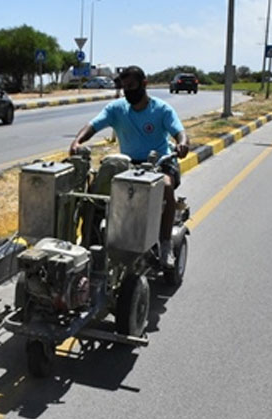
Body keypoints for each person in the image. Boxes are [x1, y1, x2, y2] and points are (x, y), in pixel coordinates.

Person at [69, 65, 189, 268]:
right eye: (124, 87)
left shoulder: (161, 109)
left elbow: (179, 132)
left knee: (166, 186)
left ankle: (165, 244)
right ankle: (90, 241)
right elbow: (93, 125)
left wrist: (183, 144)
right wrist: (77, 141)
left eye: (132, 86)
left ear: (144, 84)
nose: (128, 91)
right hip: (129, 164)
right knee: (95, 194)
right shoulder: (117, 108)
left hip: (161, 163)